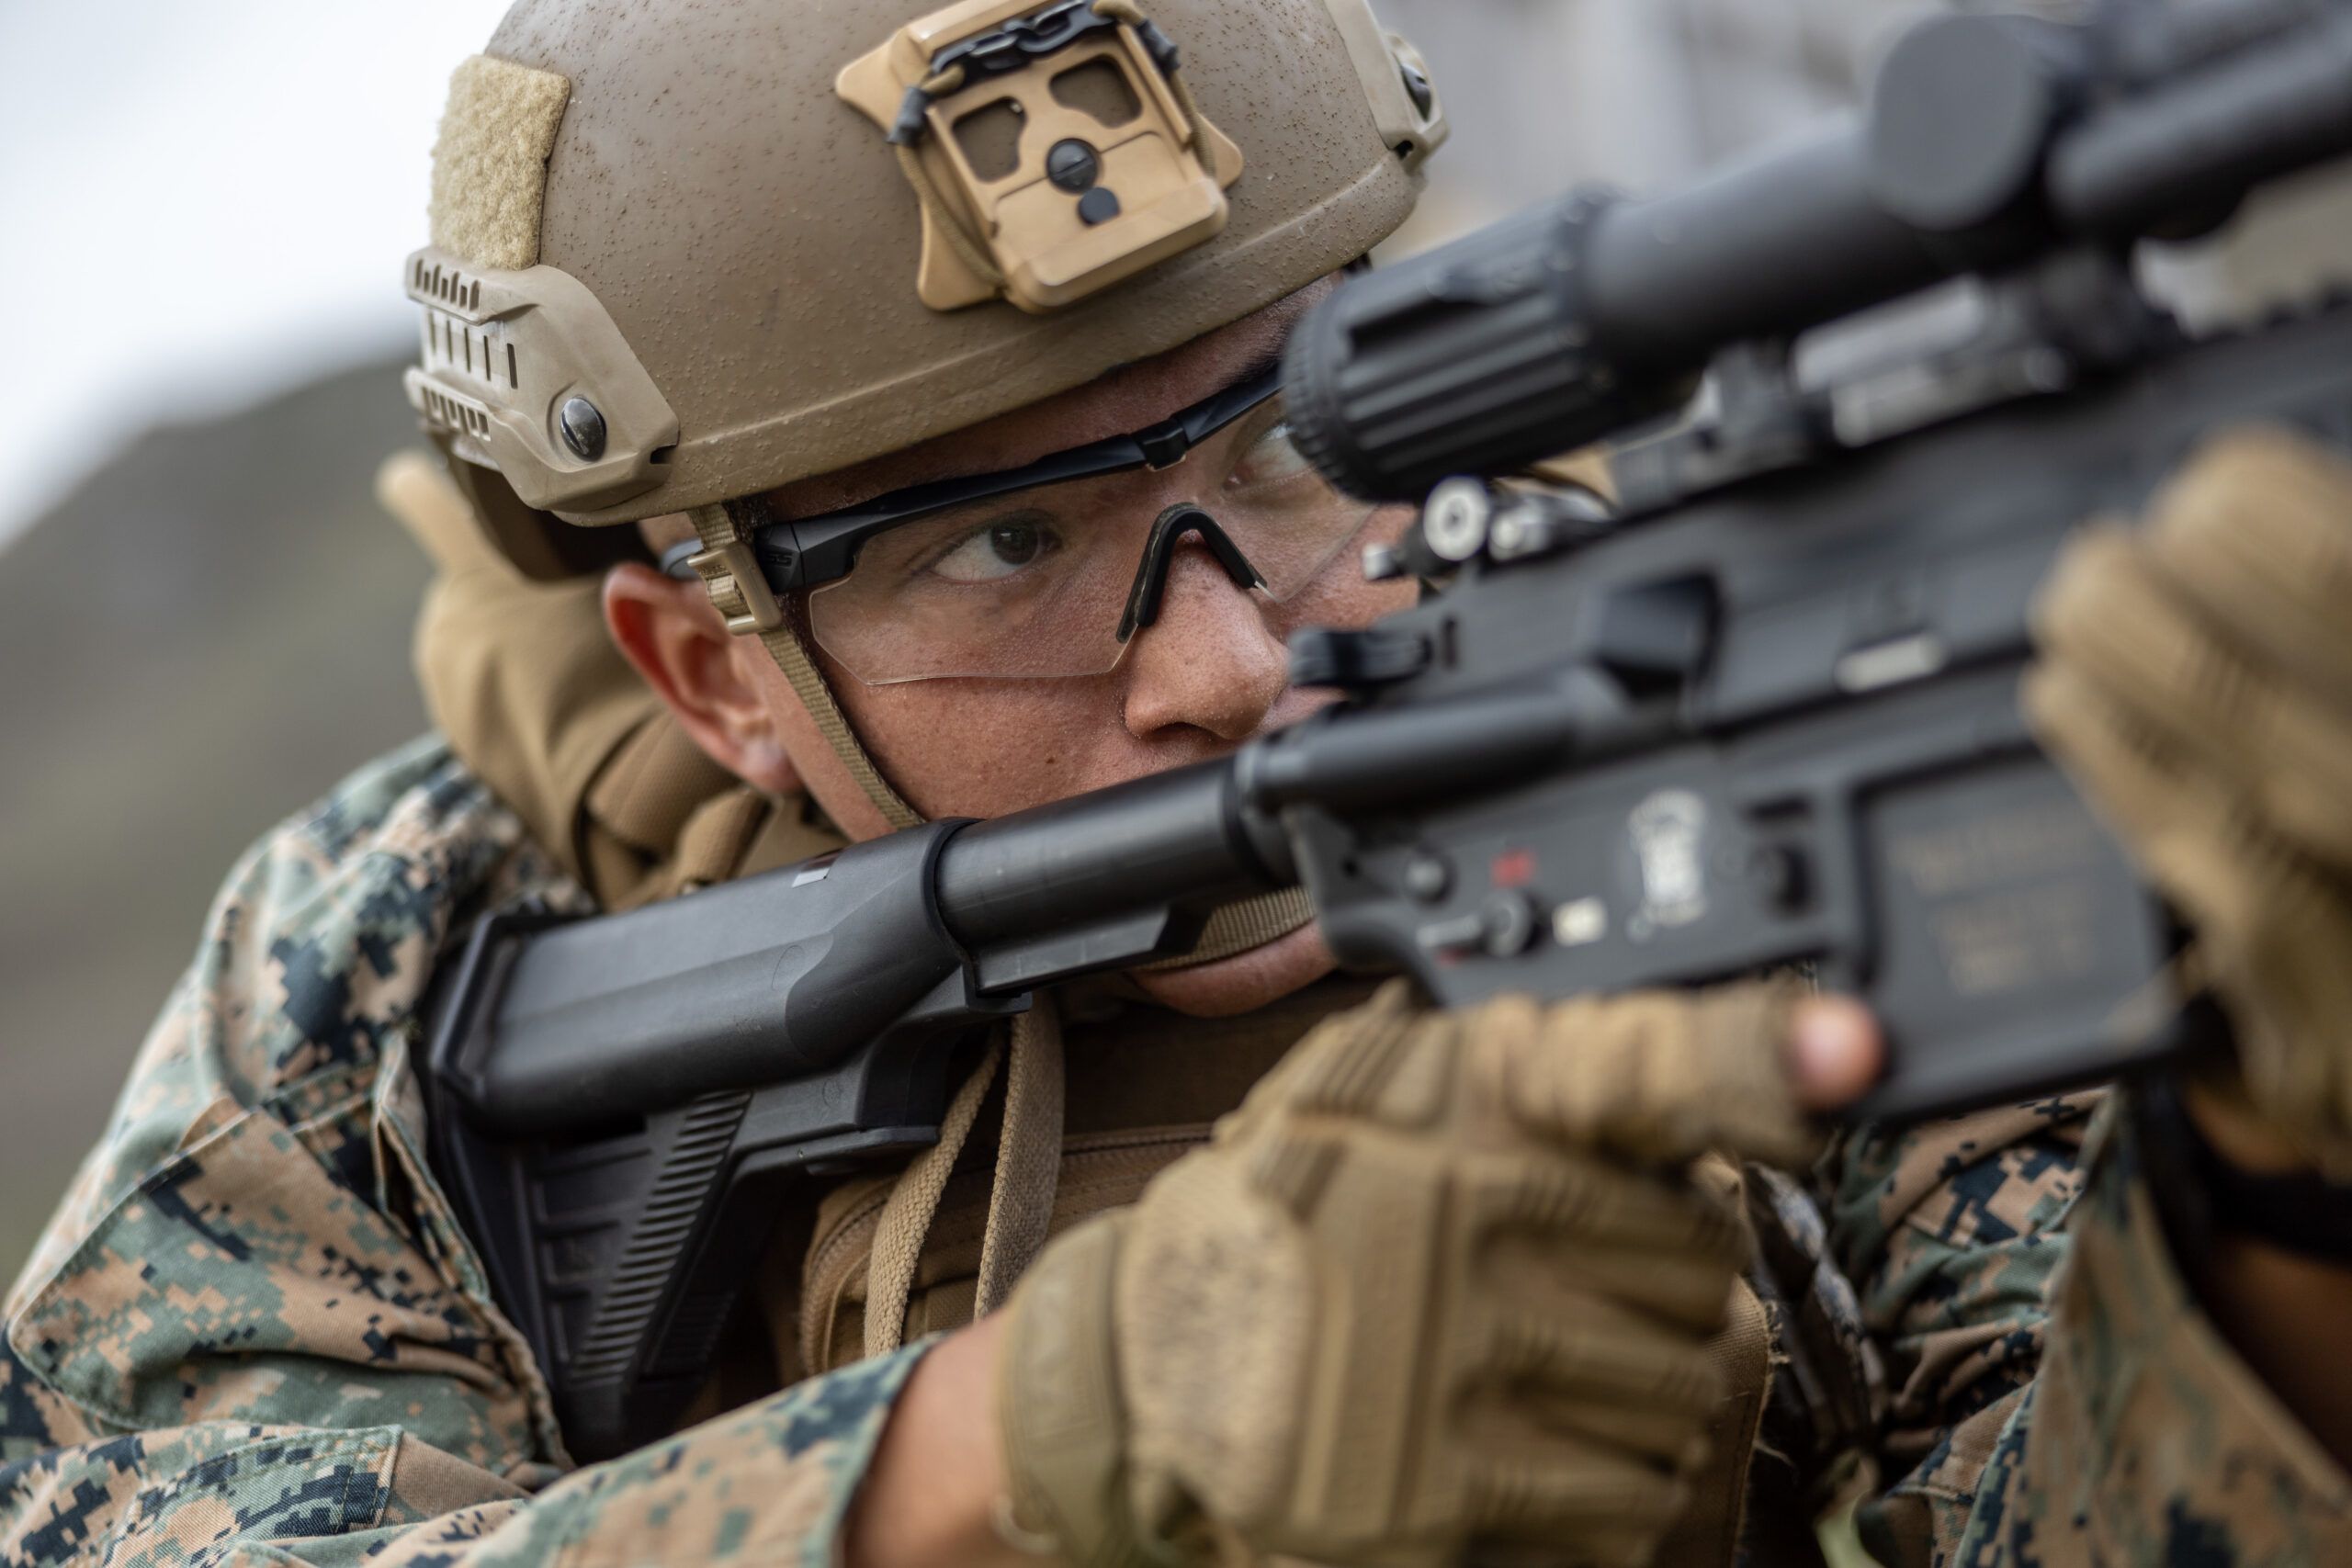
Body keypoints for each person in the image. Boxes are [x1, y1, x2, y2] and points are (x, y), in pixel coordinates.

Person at [3, 4, 2348, 1566]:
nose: (1227, 664)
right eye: (1008, 545)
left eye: (1283, 449)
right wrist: (1023, 1447)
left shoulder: (1751, 725)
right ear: (711, 673)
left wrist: (2280, 1193)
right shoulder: (409, 974)